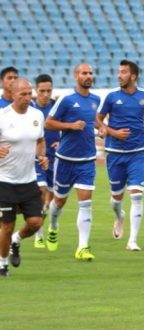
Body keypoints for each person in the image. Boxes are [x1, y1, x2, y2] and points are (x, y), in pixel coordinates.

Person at [97, 60, 144, 251]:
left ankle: (133, 240)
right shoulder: (111, 97)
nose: (119, 75)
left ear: (133, 76)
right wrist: (111, 132)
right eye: (118, 72)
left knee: (137, 194)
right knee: (115, 198)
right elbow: (98, 120)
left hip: (136, 153)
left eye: (123, 72)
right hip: (115, 153)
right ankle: (119, 217)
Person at [44, 63, 105, 260]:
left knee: (86, 202)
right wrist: (70, 125)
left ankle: (83, 247)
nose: (88, 76)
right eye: (84, 73)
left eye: (90, 73)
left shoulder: (96, 99)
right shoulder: (66, 100)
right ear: (75, 76)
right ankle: (53, 226)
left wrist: (102, 128)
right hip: (65, 159)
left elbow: (93, 119)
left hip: (87, 159)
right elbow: (49, 122)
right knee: (59, 200)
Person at [0, 78, 49, 276]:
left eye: (30, 94)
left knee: (36, 222)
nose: (28, 98)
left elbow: (40, 139)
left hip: (28, 179)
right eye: (23, 94)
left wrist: (42, 156)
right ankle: (2, 264)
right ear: (12, 94)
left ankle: (16, 240)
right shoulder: (3, 116)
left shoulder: (37, 115)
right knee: (6, 225)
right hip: (4, 180)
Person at [31, 74, 59, 248]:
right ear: (36, 90)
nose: (45, 94)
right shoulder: (30, 109)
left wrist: (62, 141)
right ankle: (38, 234)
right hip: (36, 158)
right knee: (41, 192)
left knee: (54, 199)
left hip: (56, 159)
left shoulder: (58, 108)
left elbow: (68, 129)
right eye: (42, 91)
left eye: (49, 91)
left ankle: (50, 226)